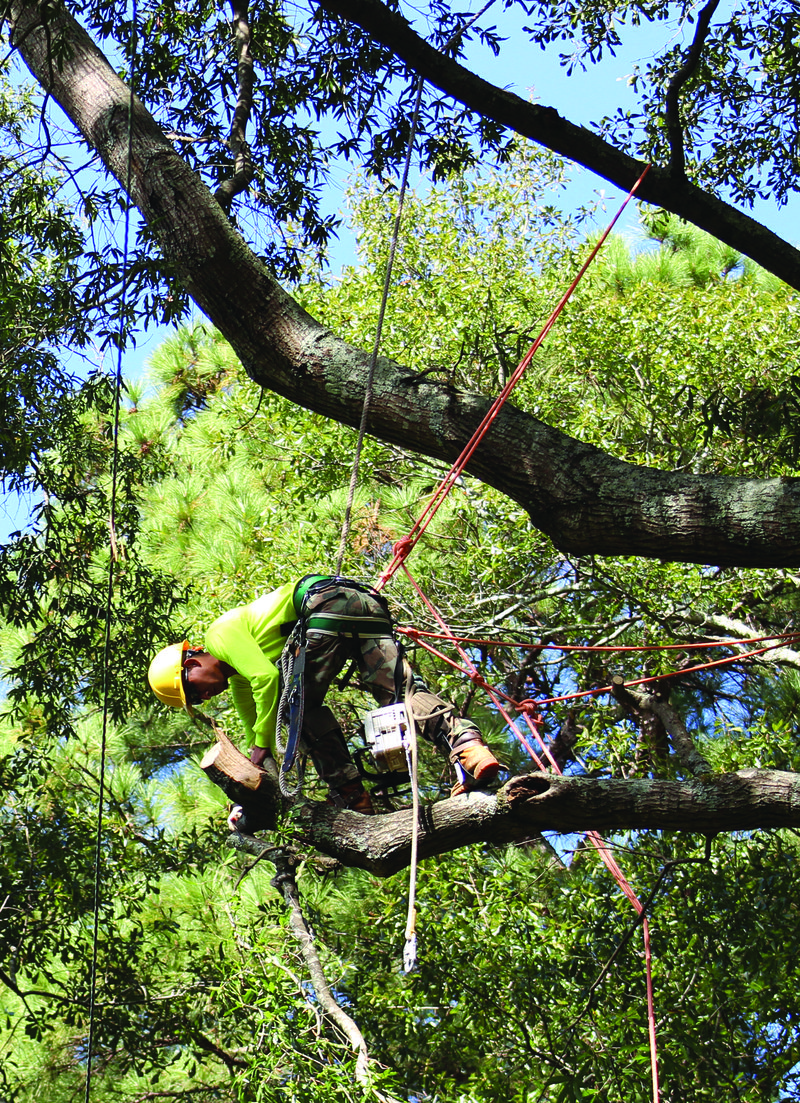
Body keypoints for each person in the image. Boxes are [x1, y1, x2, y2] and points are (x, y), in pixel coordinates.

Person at [147, 574, 500, 814]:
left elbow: (267, 679)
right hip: (359, 605)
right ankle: (468, 748)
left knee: (296, 711)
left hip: (322, 607)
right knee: (401, 693)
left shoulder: (219, 636)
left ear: (190, 661)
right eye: (197, 702)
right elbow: (251, 710)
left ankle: (352, 795)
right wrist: (255, 758)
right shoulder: (235, 669)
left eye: (192, 691)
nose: (203, 697)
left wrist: (261, 746)